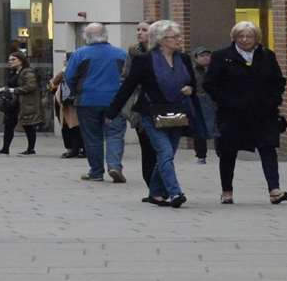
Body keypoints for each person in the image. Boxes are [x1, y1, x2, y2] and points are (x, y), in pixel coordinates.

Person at [203, 21, 287, 205]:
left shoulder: (267, 56)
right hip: (232, 113)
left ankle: (274, 190)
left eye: (249, 36)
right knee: (228, 152)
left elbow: (278, 81)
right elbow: (210, 84)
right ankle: (227, 191)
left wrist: (273, 100)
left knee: (268, 148)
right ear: (234, 38)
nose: (245, 40)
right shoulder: (222, 57)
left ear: (256, 38)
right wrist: (226, 101)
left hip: (263, 112)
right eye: (240, 36)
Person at [105, 19, 193, 207]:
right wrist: (112, 112)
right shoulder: (144, 60)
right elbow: (127, 87)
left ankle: (155, 194)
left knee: (166, 155)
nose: (179, 40)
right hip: (151, 113)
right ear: (161, 39)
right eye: (174, 37)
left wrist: (189, 88)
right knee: (165, 151)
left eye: (179, 36)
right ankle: (175, 192)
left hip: (176, 112)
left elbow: (192, 82)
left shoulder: (183, 59)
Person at [67, 22, 130, 183]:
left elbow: (70, 77)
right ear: (105, 35)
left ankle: (96, 171)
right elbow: (128, 77)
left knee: (92, 137)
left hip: (88, 100)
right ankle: (114, 166)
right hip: (115, 101)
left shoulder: (80, 54)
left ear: (86, 37)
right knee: (115, 134)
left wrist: (76, 92)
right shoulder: (121, 54)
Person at [0, 51, 45, 155]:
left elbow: (31, 86)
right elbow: (12, 84)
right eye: (9, 60)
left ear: (21, 61)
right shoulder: (13, 72)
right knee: (8, 125)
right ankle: (5, 148)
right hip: (13, 103)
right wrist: (6, 89)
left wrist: (13, 90)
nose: (10, 62)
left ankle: (31, 149)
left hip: (24, 103)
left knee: (28, 125)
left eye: (13, 59)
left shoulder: (27, 72)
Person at [126, 23, 156, 188]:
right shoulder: (133, 51)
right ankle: (151, 184)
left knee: (161, 149)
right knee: (146, 146)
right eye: (138, 29)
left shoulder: (163, 51)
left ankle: (161, 185)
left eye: (144, 30)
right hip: (140, 104)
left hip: (161, 105)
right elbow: (126, 76)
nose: (139, 33)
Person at [188, 46, 218, 163]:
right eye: (202, 56)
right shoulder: (192, 71)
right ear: (196, 58)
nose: (206, 58)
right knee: (199, 129)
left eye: (207, 55)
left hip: (213, 101)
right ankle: (201, 155)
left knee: (217, 127)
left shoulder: (214, 69)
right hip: (198, 101)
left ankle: (220, 151)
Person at [51, 54, 84, 158]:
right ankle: (81, 149)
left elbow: (54, 82)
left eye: (66, 60)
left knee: (69, 127)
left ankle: (72, 149)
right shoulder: (83, 71)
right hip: (76, 102)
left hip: (68, 103)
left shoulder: (66, 71)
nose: (64, 62)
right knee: (78, 127)